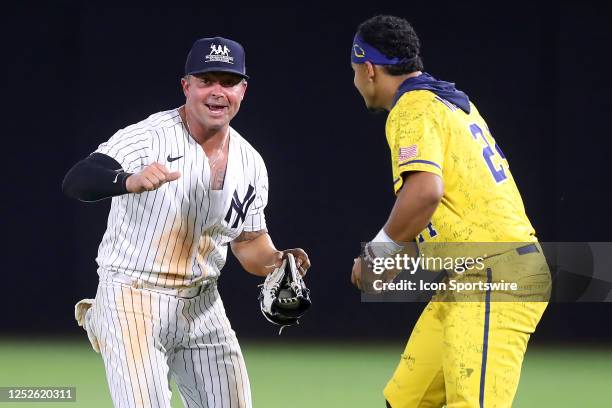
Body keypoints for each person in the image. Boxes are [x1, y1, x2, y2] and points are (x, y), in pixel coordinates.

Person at [63, 36, 310, 408]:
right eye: (206, 80)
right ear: (186, 86)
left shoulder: (250, 162)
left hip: (203, 305)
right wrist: (126, 181)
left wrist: (278, 263)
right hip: (133, 298)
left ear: (243, 89)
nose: (217, 92)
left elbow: (248, 244)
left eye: (228, 82)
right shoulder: (148, 137)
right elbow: (79, 179)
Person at [349, 15, 551, 408]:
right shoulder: (448, 100)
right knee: (405, 401)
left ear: (369, 69)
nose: (355, 80)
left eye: (354, 70)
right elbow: (448, 204)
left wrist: (379, 252)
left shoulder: (412, 107)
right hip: (473, 274)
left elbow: (425, 192)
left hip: (495, 276)